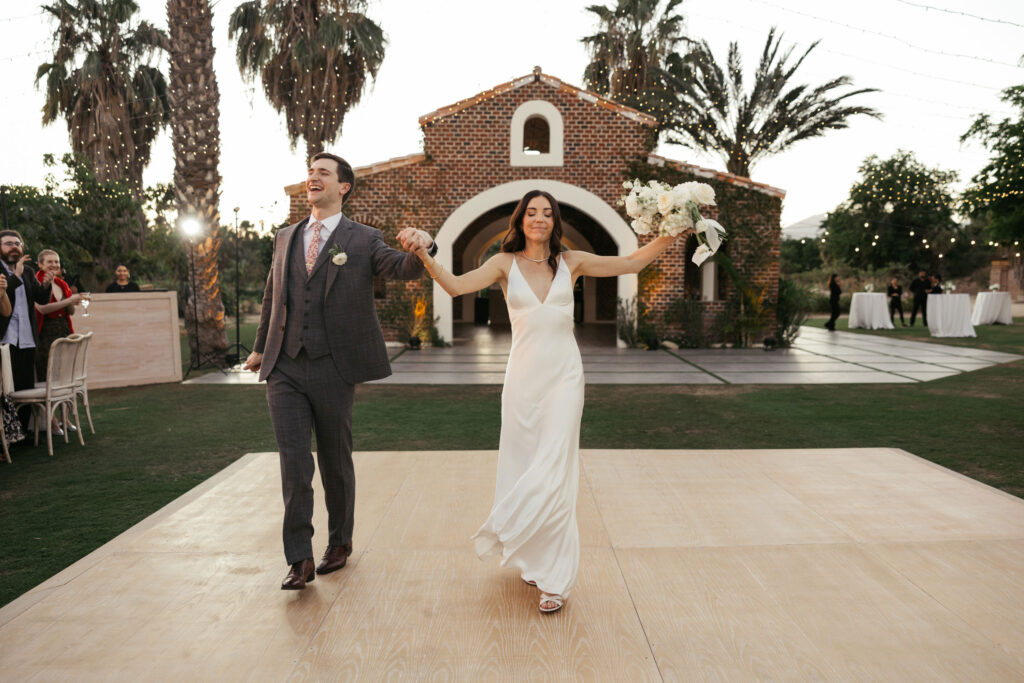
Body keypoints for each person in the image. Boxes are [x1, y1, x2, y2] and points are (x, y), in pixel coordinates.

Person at [411, 189, 683, 614]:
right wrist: (424, 255)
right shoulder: (503, 264)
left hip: (564, 379)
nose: (539, 219)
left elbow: (630, 262)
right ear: (520, 220)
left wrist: (675, 231)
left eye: (547, 213)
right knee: (524, 467)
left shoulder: (571, 263)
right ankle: (532, 556)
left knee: (555, 470)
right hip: (522, 381)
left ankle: (555, 580)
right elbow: (456, 285)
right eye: (531, 212)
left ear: (555, 222)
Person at [242, 152, 434, 590]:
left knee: (334, 460)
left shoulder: (363, 238)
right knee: (294, 465)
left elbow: (402, 268)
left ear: (343, 186)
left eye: (323, 173)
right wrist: (259, 349)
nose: (313, 177)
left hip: (334, 365)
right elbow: (274, 295)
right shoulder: (286, 236)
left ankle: (340, 542)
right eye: (310, 172)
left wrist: (424, 244)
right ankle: (299, 559)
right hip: (285, 366)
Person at [0, 231, 55, 398]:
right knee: (6, 390)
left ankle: (24, 425)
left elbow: (41, 300)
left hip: (27, 339)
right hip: (5, 339)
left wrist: (46, 286)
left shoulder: (28, 272)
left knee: (26, 390)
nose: (14, 247)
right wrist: (15, 275)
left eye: (17, 244)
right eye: (8, 244)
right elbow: (2, 295)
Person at [34, 249, 85, 383]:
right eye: (49, 261)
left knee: (66, 373)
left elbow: (71, 312)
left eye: (56, 261)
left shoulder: (61, 283)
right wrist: (68, 300)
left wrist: (73, 300)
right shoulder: (35, 282)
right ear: (40, 264)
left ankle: (65, 403)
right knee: (48, 375)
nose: (54, 264)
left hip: (64, 330)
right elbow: (42, 309)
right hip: (44, 334)